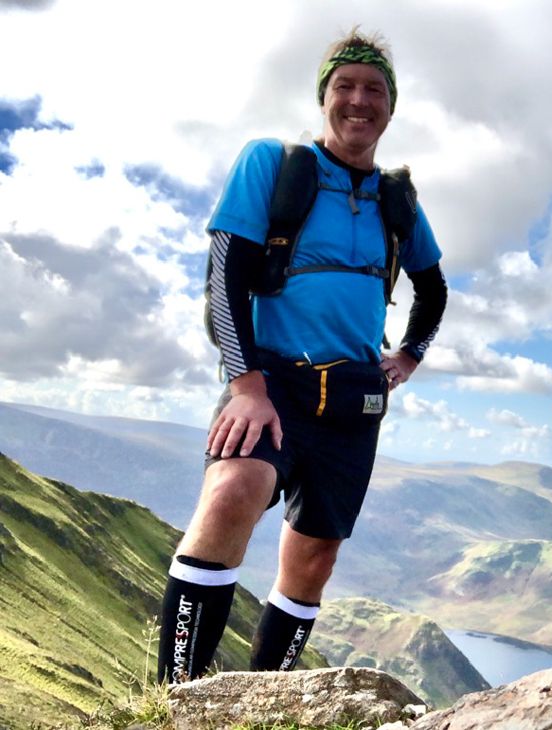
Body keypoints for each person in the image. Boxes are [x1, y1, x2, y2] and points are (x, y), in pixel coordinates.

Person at [156, 28, 447, 682]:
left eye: (374, 90)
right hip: (274, 383)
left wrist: (409, 357)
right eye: (344, 85)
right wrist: (245, 385)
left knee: (314, 559)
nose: (358, 100)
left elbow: (433, 288)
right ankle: (175, 703)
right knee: (232, 492)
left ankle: (265, 702)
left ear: (390, 109)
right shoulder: (273, 164)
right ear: (324, 98)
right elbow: (225, 271)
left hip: (353, 401)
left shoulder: (397, 202)